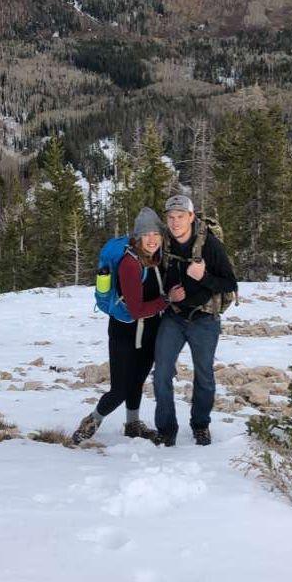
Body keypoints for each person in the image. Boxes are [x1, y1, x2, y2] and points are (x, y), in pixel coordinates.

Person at [71, 207, 168, 444]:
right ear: (137, 237)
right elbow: (136, 310)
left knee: (137, 381)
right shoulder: (129, 264)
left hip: (150, 331)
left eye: (156, 234)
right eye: (146, 234)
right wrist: (167, 300)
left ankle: (132, 424)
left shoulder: (157, 258)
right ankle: (92, 421)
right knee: (120, 389)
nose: (152, 239)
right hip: (124, 332)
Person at [152, 190, 235, 446]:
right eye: (170, 217)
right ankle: (166, 429)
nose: (175, 222)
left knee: (204, 375)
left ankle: (200, 425)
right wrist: (168, 297)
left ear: (191, 217)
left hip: (205, 319)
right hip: (174, 316)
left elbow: (230, 282)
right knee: (161, 373)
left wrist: (203, 277)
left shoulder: (210, 245)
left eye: (180, 216)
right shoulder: (163, 243)